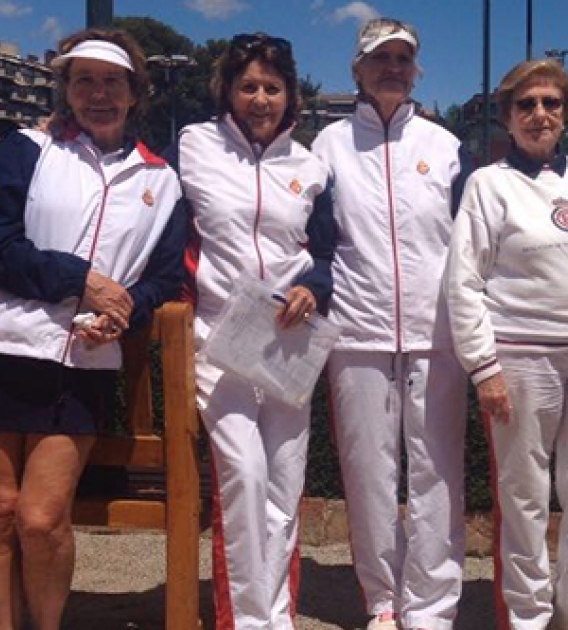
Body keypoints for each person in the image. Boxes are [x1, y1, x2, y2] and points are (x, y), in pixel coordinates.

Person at [0, 28, 185, 630]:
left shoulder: (162, 179)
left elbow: (165, 277)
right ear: (67, 89)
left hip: (82, 366)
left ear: (135, 92)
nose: (97, 95)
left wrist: (124, 309)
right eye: (83, 81)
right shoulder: (28, 148)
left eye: (111, 82)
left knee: (42, 517)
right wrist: (84, 281)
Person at [443, 58, 568, 630]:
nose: (539, 114)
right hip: (522, 357)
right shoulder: (488, 185)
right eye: (526, 105)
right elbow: (463, 281)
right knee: (525, 497)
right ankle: (529, 616)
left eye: (551, 104)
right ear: (508, 116)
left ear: (565, 114)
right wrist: (484, 367)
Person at [311, 17, 471, 630]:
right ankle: (382, 600)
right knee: (369, 474)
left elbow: (469, 241)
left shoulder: (445, 145)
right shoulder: (326, 147)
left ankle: (430, 607)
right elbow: (310, 237)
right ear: (357, 70)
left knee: (437, 474)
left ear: (417, 70)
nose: (392, 69)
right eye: (381, 59)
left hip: (437, 336)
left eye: (403, 60)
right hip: (355, 333)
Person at [174, 32, 334, 630]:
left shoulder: (310, 163)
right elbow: (170, 233)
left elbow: (325, 251)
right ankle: (245, 620)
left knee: (285, 484)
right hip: (221, 336)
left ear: (290, 94)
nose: (260, 98)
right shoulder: (194, 145)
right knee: (244, 474)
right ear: (228, 91)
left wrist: (313, 288)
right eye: (248, 87)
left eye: (272, 87)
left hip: (290, 338)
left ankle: (275, 616)